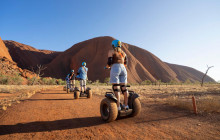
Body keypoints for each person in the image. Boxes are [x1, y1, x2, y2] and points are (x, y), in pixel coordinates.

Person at [105, 40, 129, 111]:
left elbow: (109, 62)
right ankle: (126, 105)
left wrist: (107, 67)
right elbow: (126, 63)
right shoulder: (124, 53)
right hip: (123, 69)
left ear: (113, 45)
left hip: (115, 68)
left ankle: (118, 107)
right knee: (124, 88)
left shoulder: (111, 51)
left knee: (116, 88)